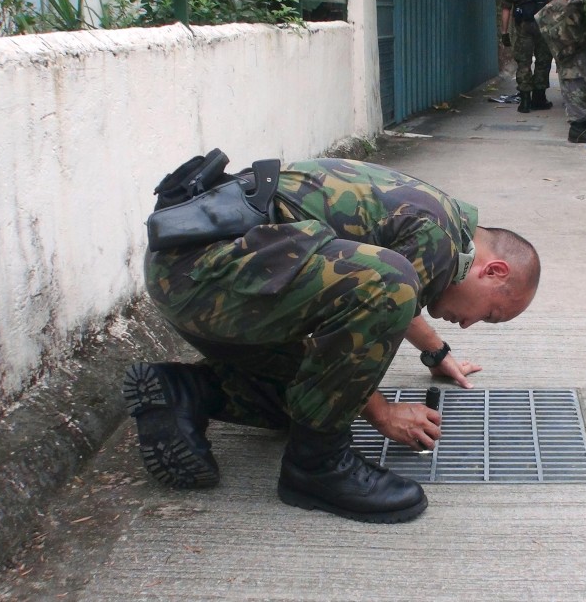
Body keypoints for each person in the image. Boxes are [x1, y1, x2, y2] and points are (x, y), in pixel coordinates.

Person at [123, 156, 541, 525]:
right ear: (494, 271)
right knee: (383, 293)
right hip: (210, 275)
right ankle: (318, 467)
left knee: (312, 399)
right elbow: (388, 291)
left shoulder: (439, 221)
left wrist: (436, 351)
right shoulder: (441, 240)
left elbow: (393, 297)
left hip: (189, 272)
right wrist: (383, 414)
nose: (470, 325)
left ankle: (184, 392)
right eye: (490, 314)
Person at [536, 0, 586, 143]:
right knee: (573, 78)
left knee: (575, 77)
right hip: (566, 35)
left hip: (571, 35)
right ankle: (578, 128)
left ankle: (581, 124)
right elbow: (575, 3)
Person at [500, 0, 554, 114]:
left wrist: (504, 32)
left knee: (524, 61)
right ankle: (539, 98)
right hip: (543, 22)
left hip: (523, 24)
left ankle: (524, 101)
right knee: (543, 59)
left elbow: (506, 9)